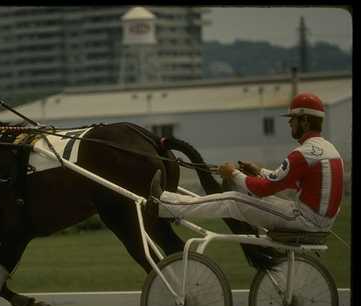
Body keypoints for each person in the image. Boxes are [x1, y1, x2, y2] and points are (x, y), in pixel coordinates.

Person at [147, 92, 344, 233]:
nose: (289, 123)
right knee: (239, 196)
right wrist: (258, 171)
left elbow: (265, 189)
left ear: (305, 122)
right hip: (320, 221)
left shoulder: (303, 153)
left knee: (232, 199)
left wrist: (234, 174)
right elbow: (285, 180)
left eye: (293, 118)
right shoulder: (330, 150)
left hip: (305, 220)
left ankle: (164, 204)